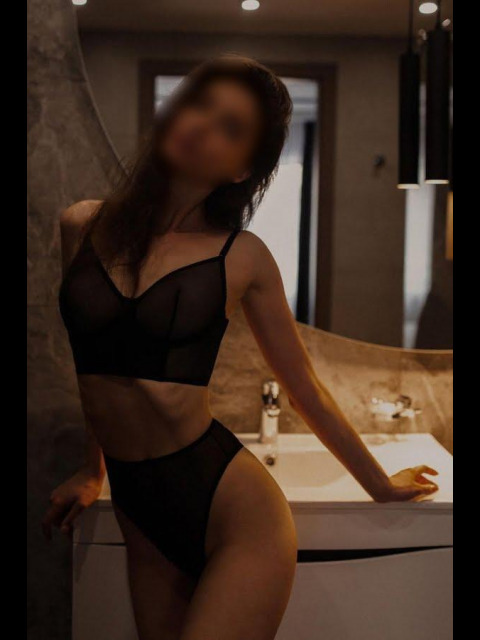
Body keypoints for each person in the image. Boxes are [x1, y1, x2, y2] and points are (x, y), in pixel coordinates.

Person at [42, 54, 439, 640]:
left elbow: (304, 388)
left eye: (230, 127)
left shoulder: (242, 256)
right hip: (140, 511)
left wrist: (379, 484)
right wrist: (90, 467)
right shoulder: (82, 224)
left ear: (241, 169)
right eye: (199, 104)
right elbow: (95, 363)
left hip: (234, 512)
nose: (203, 125)